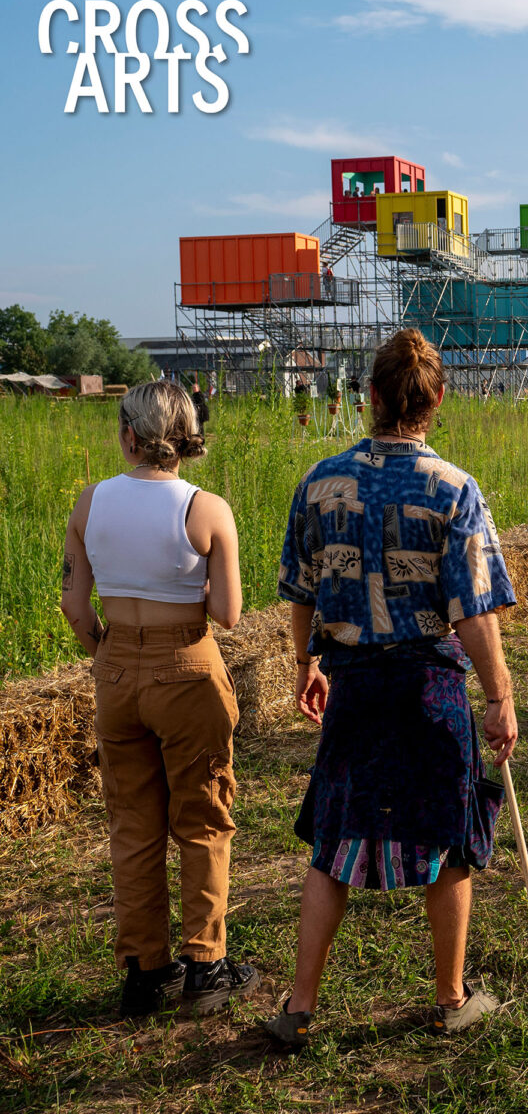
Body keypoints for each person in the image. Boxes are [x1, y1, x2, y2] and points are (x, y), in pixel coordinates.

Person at [267, 329, 518, 1049]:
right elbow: (471, 610)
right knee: (452, 838)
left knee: (331, 840)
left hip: (354, 684)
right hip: (428, 687)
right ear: (437, 399)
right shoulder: (454, 489)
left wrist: (305, 662)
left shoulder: (319, 482)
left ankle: (299, 1008)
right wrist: (498, 695)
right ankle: (451, 997)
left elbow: (300, 590)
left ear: (369, 396)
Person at [60, 380, 258, 1019]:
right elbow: (228, 614)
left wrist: (109, 653)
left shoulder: (91, 503)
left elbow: (73, 602)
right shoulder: (206, 508)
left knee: (133, 822)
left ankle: (145, 970)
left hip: (117, 666)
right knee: (201, 817)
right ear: (187, 438)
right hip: (187, 664)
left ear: (129, 436)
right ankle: (206, 964)